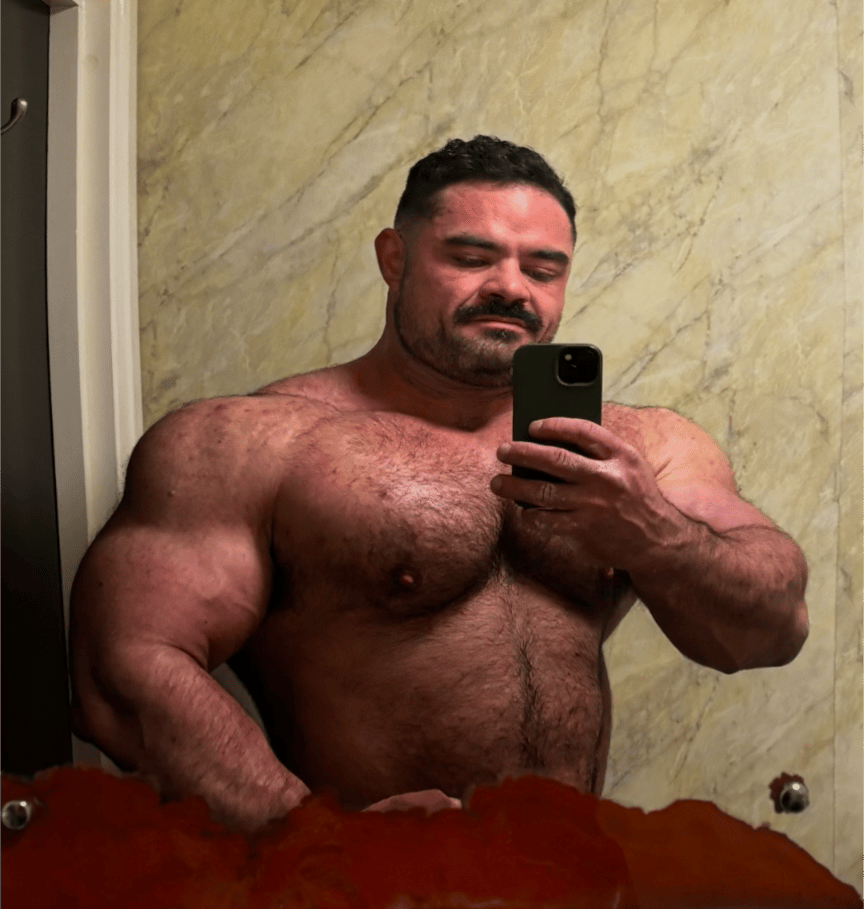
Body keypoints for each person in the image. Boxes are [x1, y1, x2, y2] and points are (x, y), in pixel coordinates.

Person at [69, 135, 809, 833]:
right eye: (471, 257)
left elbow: (771, 629)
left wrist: (654, 536)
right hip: (356, 890)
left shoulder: (639, 449)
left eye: (543, 269)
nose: (510, 288)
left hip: (577, 874)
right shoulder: (252, 441)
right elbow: (123, 669)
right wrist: (310, 839)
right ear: (394, 259)